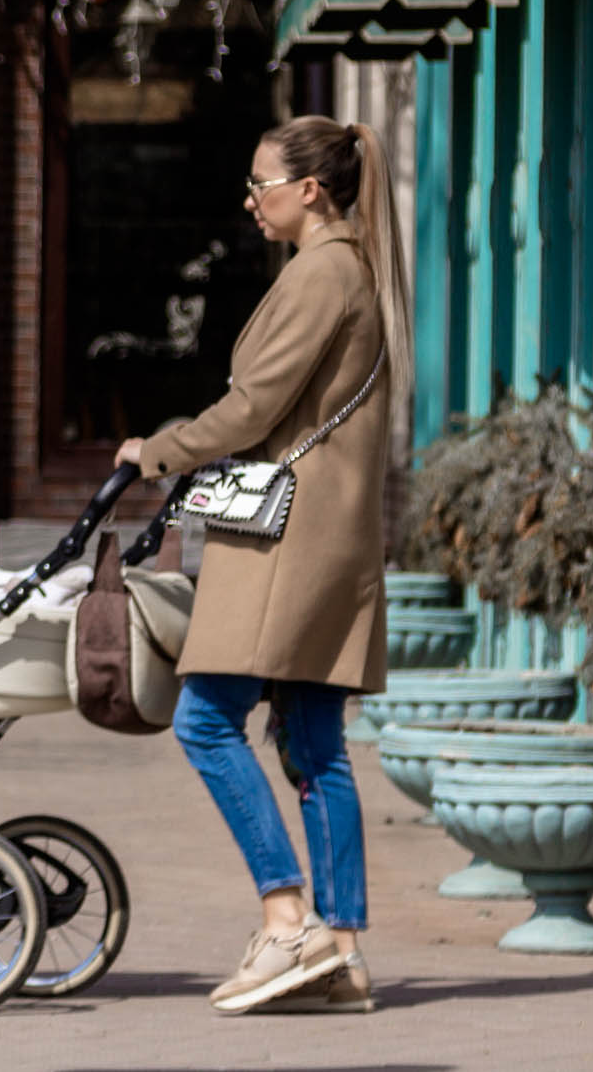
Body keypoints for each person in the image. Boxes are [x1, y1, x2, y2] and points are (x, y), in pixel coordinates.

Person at [114, 115, 408, 1016]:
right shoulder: (350, 269)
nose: (250, 200)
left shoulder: (322, 273)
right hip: (327, 534)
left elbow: (252, 408)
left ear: (309, 189)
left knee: (206, 720)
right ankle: (343, 954)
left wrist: (156, 450)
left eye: (261, 183)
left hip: (289, 541)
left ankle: (287, 920)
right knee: (315, 744)